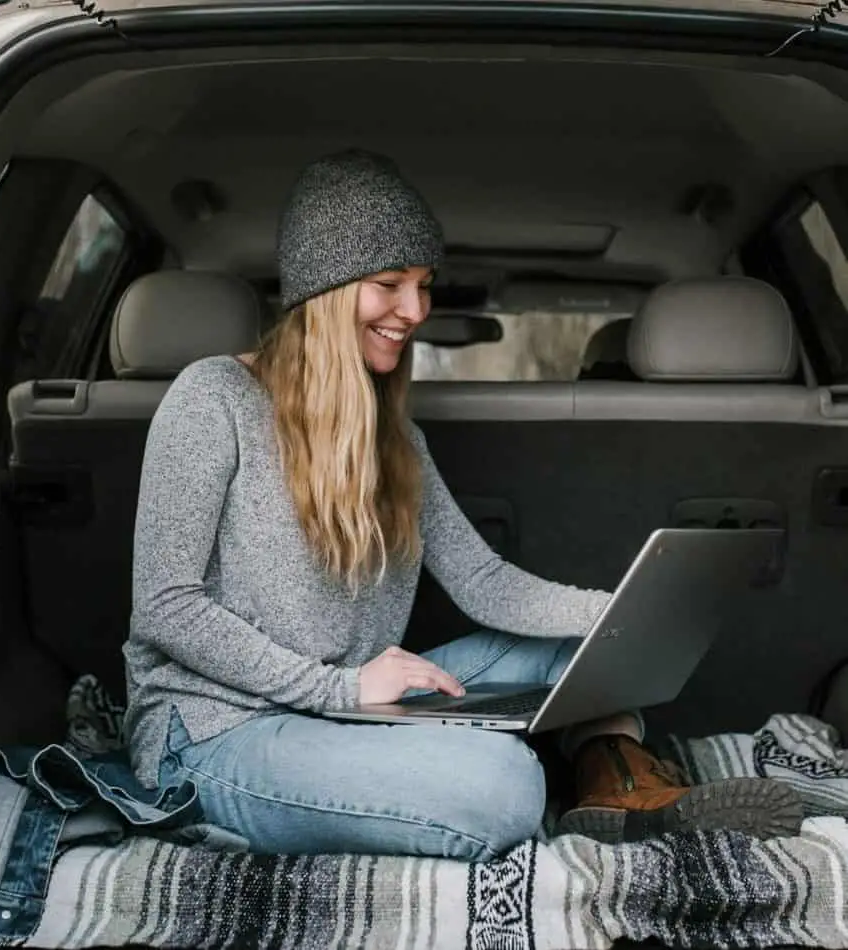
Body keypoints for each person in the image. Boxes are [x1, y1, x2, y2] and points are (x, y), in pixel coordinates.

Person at [122, 150, 800, 860]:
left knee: (587, 655)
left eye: (423, 285)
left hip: (352, 705)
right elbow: (166, 607)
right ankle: (570, 780)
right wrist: (341, 689)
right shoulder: (212, 399)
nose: (414, 311)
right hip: (218, 731)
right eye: (389, 284)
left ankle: (618, 788)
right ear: (324, 290)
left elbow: (483, 581)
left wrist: (615, 615)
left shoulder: (396, 438)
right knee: (503, 789)